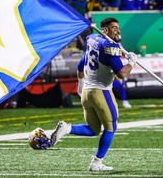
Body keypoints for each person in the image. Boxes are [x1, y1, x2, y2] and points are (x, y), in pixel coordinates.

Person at [50, 17, 137, 171]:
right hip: (101, 92)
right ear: (105, 30)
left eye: (118, 27)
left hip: (87, 93)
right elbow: (121, 74)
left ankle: (67, 128)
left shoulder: (93, 40)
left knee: (94, 129)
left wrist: (81, 85)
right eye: (113, 28)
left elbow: (80, 65)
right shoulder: (110, 46)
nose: (117, 30)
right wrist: (132, 62)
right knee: (111, 127)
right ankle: (96, 163)